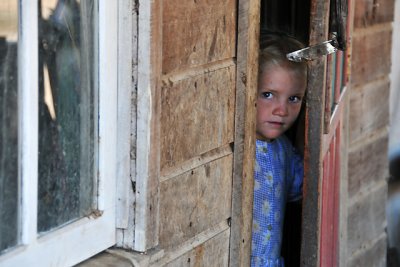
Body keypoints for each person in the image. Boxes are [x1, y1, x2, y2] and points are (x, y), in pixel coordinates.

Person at [251, 34, 307, 267]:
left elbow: (302, 189)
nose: (282, 110)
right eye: (268, 95)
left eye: (294, 98)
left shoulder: (284, 149)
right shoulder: (233, 150)